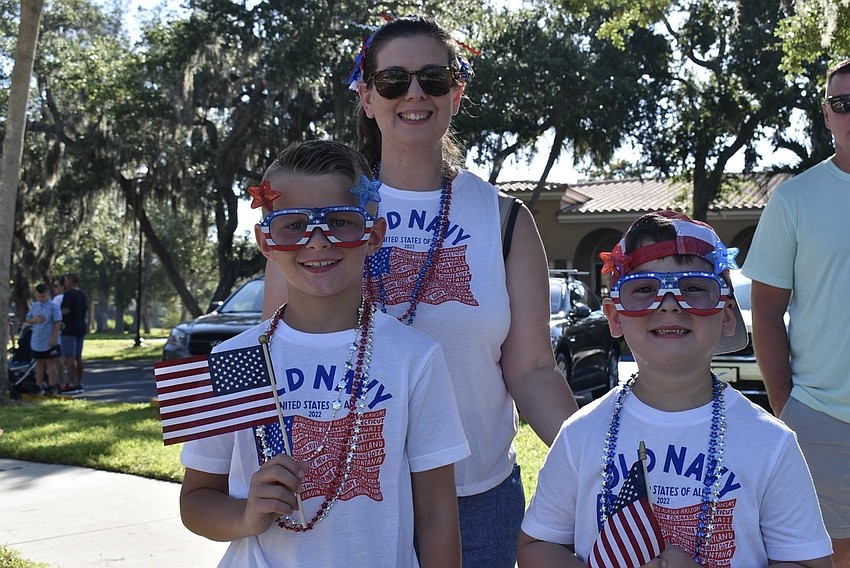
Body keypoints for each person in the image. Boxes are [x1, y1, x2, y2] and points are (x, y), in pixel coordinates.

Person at [258, 17, 579, 567]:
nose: (414, 93)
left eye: (433, 78)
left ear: (457, 92)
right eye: (393, 81)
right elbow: (275, 352)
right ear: (366, 96)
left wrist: (593, 460)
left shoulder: (504, 220)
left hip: (476, 500)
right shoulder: (319, 213)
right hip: (347, 499)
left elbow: (531, 371)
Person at [179, 140, 470, 567]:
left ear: (374, 235)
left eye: (340, 222)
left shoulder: (414, 357)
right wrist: (246, 515)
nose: (317, 242)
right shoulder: (237, 358)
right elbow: (196, 501)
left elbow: (438, 514)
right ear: (265, 241)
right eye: (293, 225)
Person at [517, 210, 833, 567]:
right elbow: (538, 544)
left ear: (727, 315)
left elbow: (809, 562)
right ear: (615, 316)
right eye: (644, 290)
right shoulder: (580, 434)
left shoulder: (771, 443)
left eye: (694, 288)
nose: (669, 304)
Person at [744, 57, 850, 567]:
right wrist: (786, 408)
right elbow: (766, 313)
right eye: (842, 104)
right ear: (826, 115)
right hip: (822, 419)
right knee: (830, 558)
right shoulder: (794, 200)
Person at [25, 283, 62, 395]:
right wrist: (34, 320)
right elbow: (28, 319)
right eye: (38, 296)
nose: (41, 298)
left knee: (50, 362)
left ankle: (52, 385)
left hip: (49, 339)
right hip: (37, 339)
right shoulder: (35, 306)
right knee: (39, 362)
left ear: (48, 294)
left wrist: (54, 337)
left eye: (43, 296)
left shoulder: (53, 306)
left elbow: (57, 322)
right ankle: (38, 385)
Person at [60, 272, 87, 392]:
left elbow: (66, 310)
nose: (65, 283)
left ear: (71, 281)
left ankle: (70, 383)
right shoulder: (82, 295)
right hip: (81, 327)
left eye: (66, 281)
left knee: (70, 357)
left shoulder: (68, 295)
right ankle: (79, 382)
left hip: (69, 328)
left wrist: (57, 314)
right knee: (78, 356)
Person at [51, 276, 68, 391]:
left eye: (56, 286)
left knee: (55, 359)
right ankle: (61, 382)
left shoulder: (58, 298)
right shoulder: (69, 298)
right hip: (66, 331)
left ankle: (57, 382)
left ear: (63, 286)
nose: (55, 288)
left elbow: (52, 313)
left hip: (57, 332)